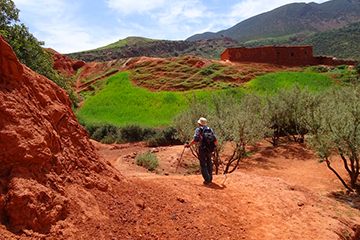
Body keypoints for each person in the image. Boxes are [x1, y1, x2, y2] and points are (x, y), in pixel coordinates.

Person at [185, 117, 217, 185]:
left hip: (202, 149)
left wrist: (189, 145)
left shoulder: (199, 130)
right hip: (209, 149)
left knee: (203, 165)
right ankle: (210, 178)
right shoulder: (210, 129)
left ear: (199, 123)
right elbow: (215, 139)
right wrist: (214, 147)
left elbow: (195, 139)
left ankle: (207, 180)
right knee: (209, 162)